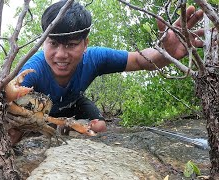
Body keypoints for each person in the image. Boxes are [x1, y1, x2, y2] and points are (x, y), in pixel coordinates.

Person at [13, 1, 204, 139]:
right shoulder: (32, 69)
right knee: (16, 130)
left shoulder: (95, 58)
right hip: (39, 113)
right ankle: (51, 130)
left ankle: (63, 130)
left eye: (71, 45)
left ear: (85, 44)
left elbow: (138, 60)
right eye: (53, 43)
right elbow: (7, 103)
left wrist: (165, 53)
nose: (61, 54)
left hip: (74, 102)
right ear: (43, 41)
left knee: (100, 128)